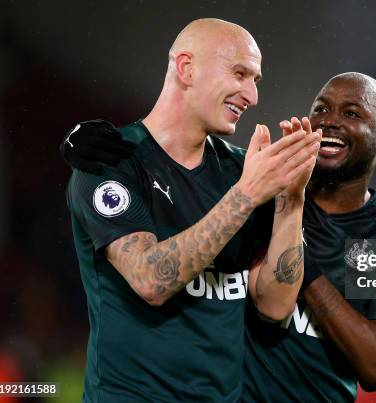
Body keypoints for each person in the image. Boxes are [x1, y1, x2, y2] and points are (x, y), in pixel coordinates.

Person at [62, 73, 376, 401]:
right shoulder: (255, 185)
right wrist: (89, 140)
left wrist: (302, 259)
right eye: (321, 110)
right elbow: (181, 163)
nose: (331, 122)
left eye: (352, 114)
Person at [62, 18, 320, 402]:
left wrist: (290, 200)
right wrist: (247, 194)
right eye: (239, 73)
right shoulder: (111, 162)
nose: (252, 95)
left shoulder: (241, 169)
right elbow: (151, 280)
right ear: (186, 68)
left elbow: (275, 307)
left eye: (256, 80)